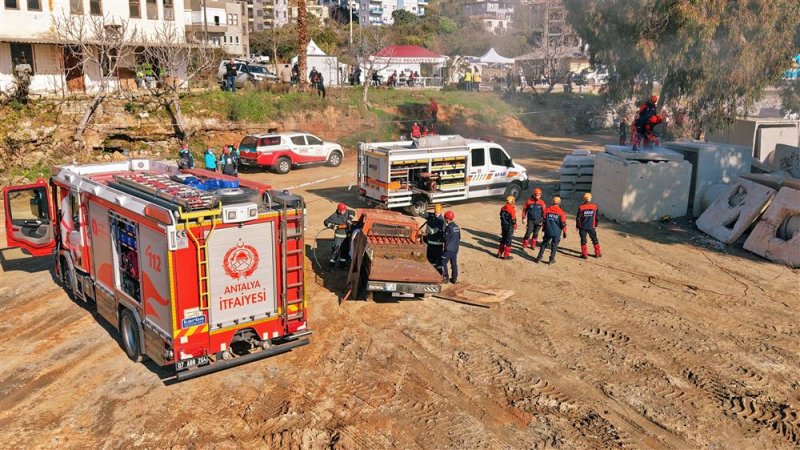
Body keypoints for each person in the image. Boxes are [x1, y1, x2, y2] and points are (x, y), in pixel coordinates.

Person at [535, 196, 567, 265]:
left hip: (548, 231)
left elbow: (543, 220)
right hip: (557, 232)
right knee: (554, 245)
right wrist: (564, 232)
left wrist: (544, 228)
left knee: (544, 244)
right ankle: (551, 259)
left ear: (552, 202)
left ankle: (539, 257)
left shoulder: (547, 210)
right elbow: (563, 224)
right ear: (559, 203)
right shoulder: (561, 212)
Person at [323, 203, 355, 268]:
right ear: (339, 210)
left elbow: (352, 212)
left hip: (347, 236)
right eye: (342, 211)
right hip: (339, 237)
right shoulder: (334, 216)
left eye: (344, 210)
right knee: (336, 250)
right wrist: (333, 226)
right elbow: (325, 222)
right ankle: (332, 263)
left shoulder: (347, 212)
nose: (344, 212)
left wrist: (350, 218)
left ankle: (342, 264)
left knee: (345, 250)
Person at [576, 192, 602, 259]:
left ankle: (585, 254)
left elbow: (578, 218)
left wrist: (577, 226)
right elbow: (597, 217)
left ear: (584, 199)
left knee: (583, 240)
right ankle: (597, 253)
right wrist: (596, 225)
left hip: (582, 227)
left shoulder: (581, 207)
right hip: (591, 226)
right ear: (590, 199)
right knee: (594, 240)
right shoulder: (594, 207)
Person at [424, 204, 445, 273]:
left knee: (438, 260)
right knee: (431, 259)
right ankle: (431, 272)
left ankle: (439, 273)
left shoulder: (441, 221)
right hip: (430, 243)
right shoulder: (432, 216)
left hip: (438, 245)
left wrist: (427, 229)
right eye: (435, 212)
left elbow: (432, 231)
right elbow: (423, 214)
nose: (436, 214)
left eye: (438, 212)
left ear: (440, 212)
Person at [441, 210, 460, 284]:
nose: (445, 220)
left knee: (443, 262)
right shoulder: (457, 227)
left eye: (445, 219)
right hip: (455, 249)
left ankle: (445, 278)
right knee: (454, 263)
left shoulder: (448, 227)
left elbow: (445, 238)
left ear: (447, 219)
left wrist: (443, 232)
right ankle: (454, 278)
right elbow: (458, 237)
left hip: (449, 249)